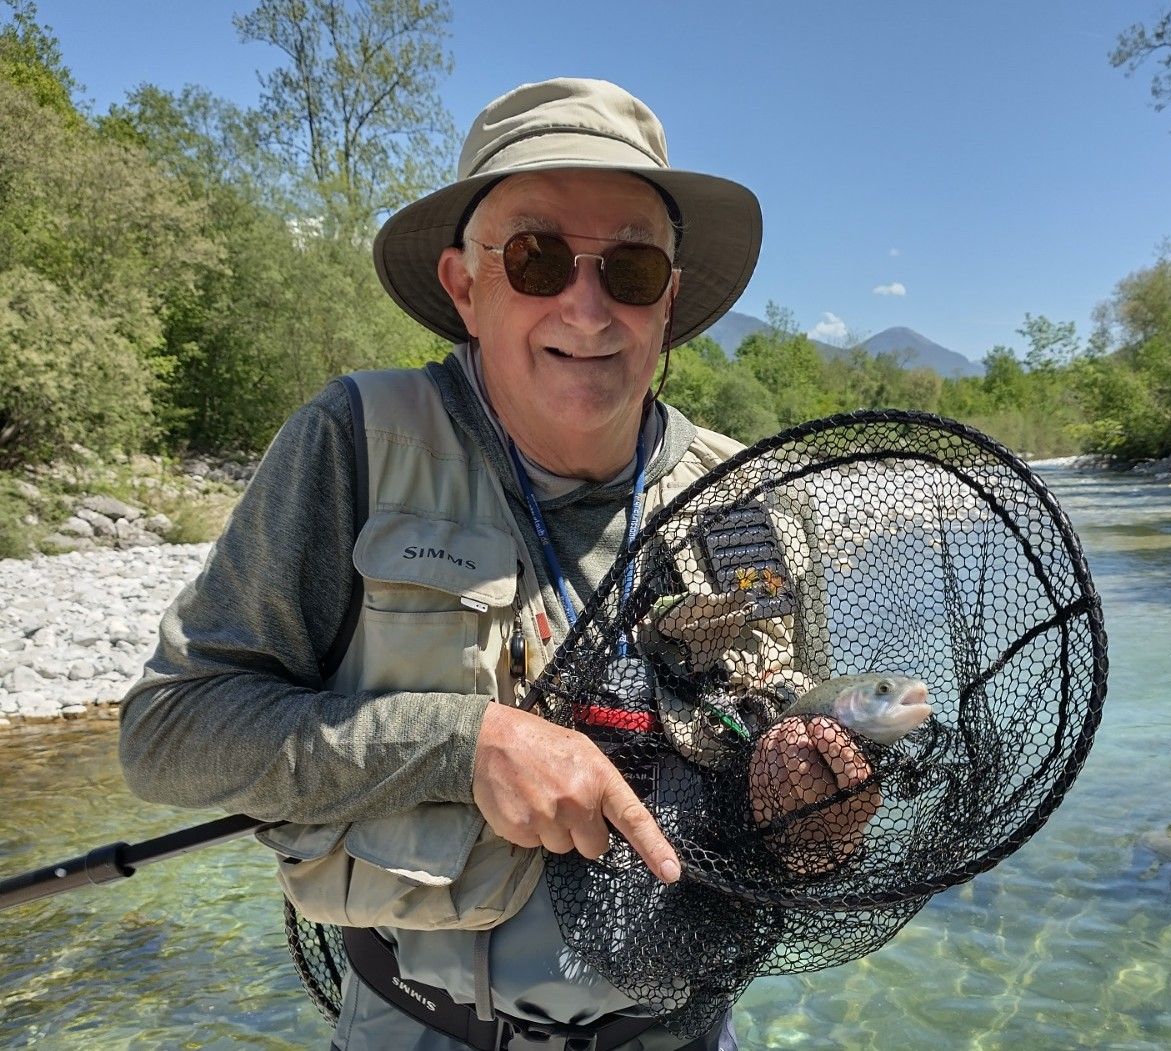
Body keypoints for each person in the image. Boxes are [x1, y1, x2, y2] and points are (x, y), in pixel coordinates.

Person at [119, 78, 867, 1051]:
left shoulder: (749, 499)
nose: (588, 309)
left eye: (632, 267)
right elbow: (168, 733)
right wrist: (464, 745)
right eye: (536, 257)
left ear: (670, 299)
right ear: (465, 286)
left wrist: (817, 822)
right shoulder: (355, 444)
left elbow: (792, 812)